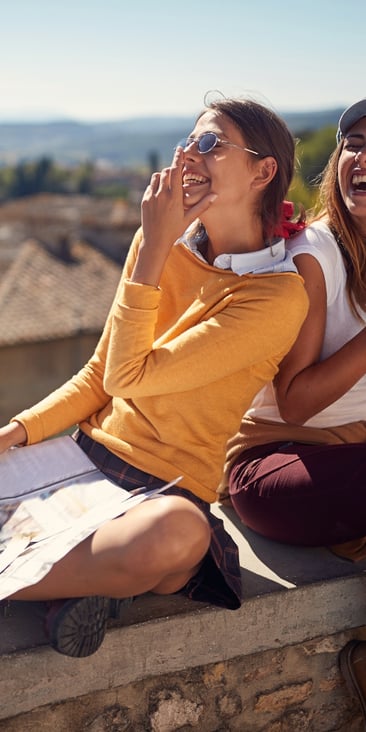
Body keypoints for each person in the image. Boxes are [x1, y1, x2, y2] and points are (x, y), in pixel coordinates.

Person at [0, 96, 308, 658]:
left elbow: (126, 374)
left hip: (160, 492)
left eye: (211, 143)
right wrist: (14, 434)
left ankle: (102, 577)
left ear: (264, 171)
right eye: (188, 141)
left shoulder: (276, 297)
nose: (190, 154)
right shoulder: (158, 245)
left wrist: (154, 247)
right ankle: (89, 586)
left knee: (178, 536)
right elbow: (99, 376)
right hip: (83, 460)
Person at [224, 98, 366, 720]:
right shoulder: (317, 253)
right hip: (275, 463)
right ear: (338, 160)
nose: (365, 157)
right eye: (356, 143)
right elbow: (298, 402)